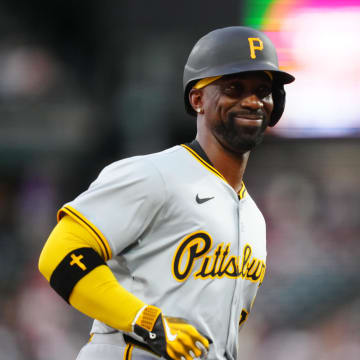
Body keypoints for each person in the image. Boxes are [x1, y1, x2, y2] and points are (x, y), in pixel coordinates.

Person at [38, 26, 294, 360]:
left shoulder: (254, 219)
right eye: (234, 88)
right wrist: (148, 321)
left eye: (263, 90)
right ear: (197, 98)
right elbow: (60, 254)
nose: (252, 101)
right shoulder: (153, 174)